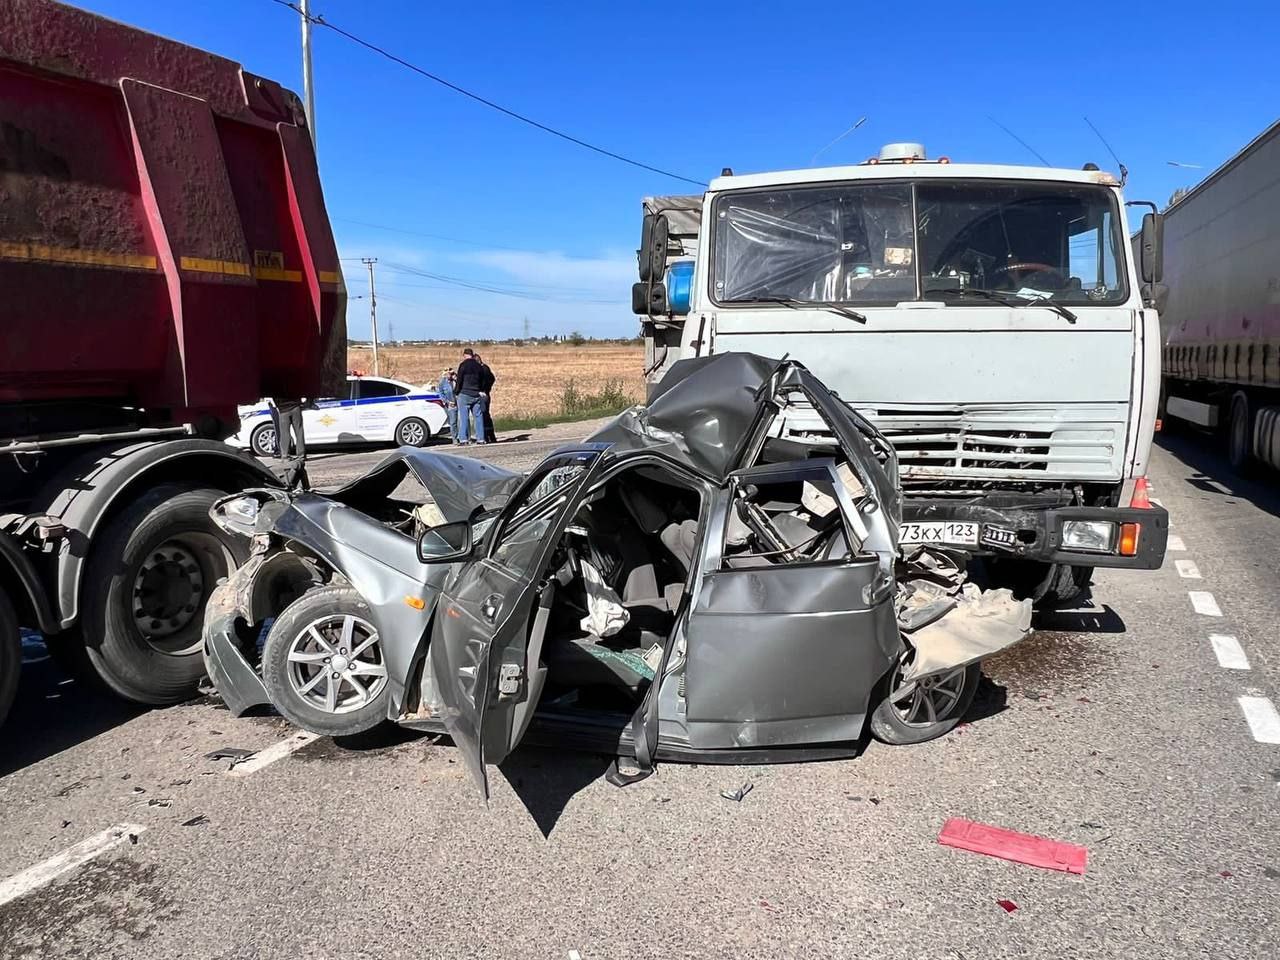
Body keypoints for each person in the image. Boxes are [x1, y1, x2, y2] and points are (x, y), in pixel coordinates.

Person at [454, 347, 485, 444]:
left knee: (464, 417)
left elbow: (459, 380)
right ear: (472, 354)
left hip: (464, 393)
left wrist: (456, 391)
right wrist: (481, 390)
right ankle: (481, 438)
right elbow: (483, 380)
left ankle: (463, 439)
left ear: (464, 355)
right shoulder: (478, 366)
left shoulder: (463, 365)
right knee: (478, 417)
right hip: (476, 393)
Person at [475, 352, 497, 443]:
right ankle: (491, 436)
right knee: (486, 415)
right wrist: (488, 389)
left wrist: (483, 389)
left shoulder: (481, 370)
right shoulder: (486, 368)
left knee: (482, 415)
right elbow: (492, 379)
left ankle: (485, 436)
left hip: (482, 394)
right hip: (487, 394)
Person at [437, 367, 458, 443]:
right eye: (447, 373)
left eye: (450, 373)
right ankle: (455, 438)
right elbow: (441, 394)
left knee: (462, 421)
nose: (449, 375)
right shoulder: (442, 383)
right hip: (450, 404)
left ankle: (466, 437)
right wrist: (447, 402)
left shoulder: (456, 380)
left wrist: (455, 377)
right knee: (453, 422)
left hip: (459, 402)